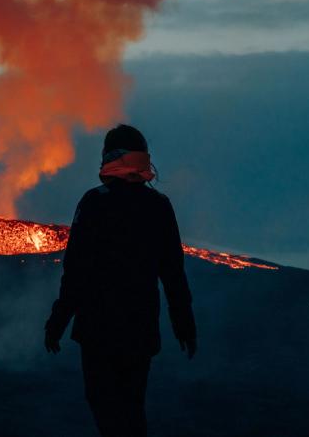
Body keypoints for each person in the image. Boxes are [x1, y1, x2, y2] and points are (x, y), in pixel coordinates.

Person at [44, 124, 197, 437]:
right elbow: (173, 274)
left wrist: (58, 321)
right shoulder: (158, 207)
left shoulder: (94, 204)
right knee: (131, 408)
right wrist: (184, 324)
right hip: (140, 332)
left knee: (105, 407)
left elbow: (75, 270)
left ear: (109, 158)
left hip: (97, 331)